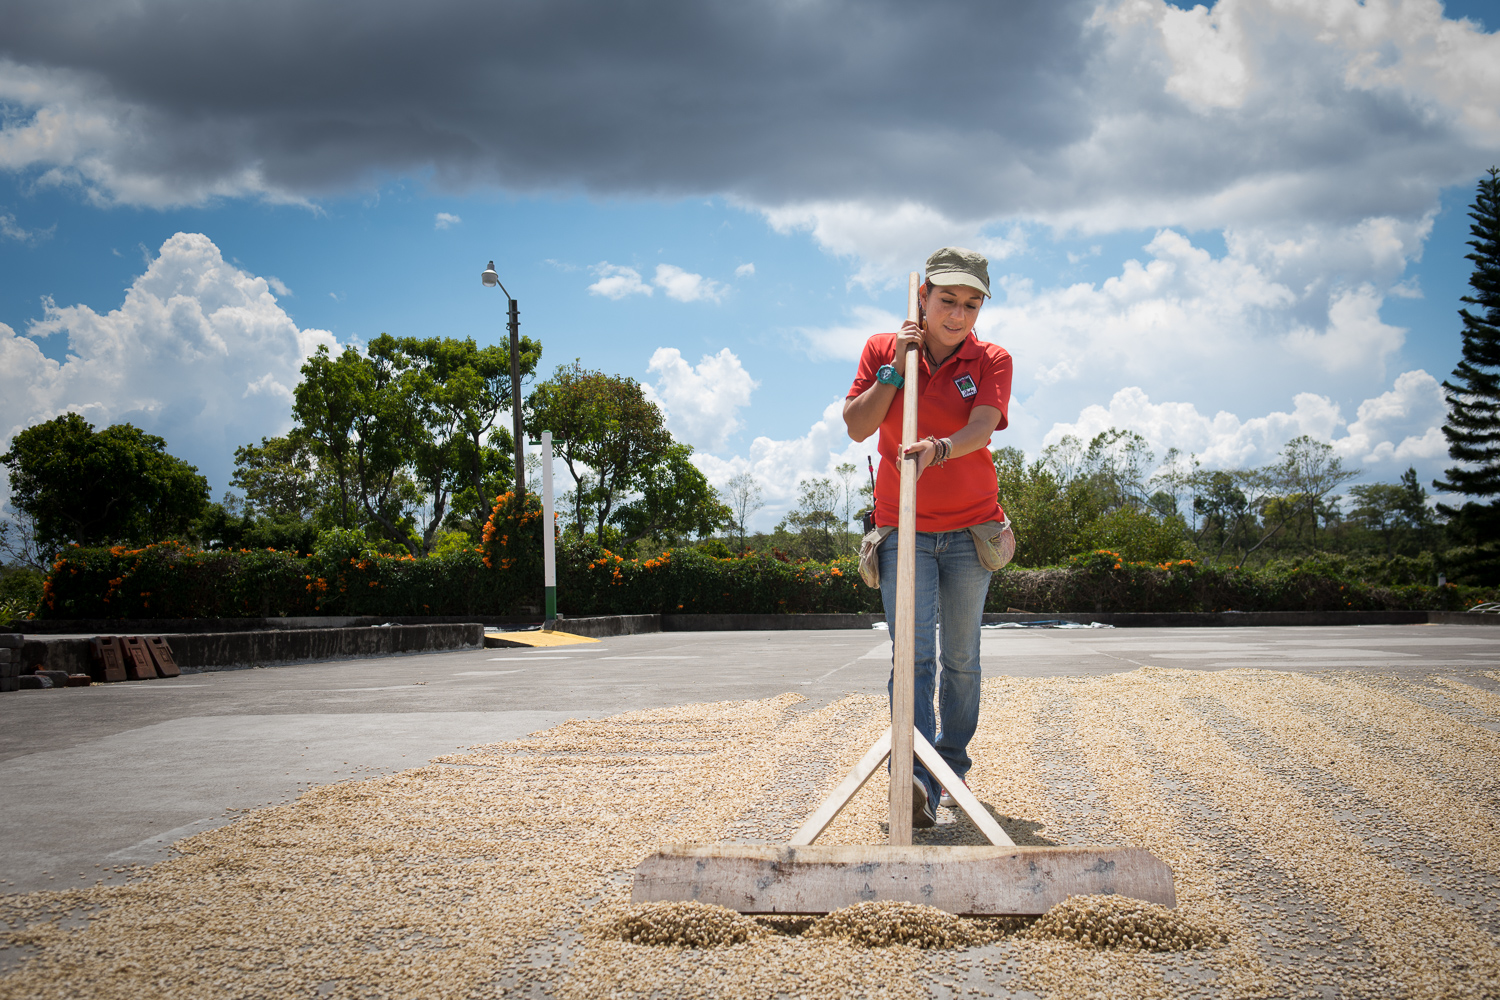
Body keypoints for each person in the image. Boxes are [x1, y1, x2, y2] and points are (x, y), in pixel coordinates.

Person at [843, 246, 1013, 828]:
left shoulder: (991, 359)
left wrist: (939, 449)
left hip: (971, 529)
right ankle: (914, 777)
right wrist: (898, 365)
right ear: (924, 297)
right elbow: (859, 427)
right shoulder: (883, 350)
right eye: (947, 300)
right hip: (902, 527)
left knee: (961, 658)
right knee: (912, 654)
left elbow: (981, 428)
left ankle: (950, 769)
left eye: (971, 304)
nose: (958, 314)